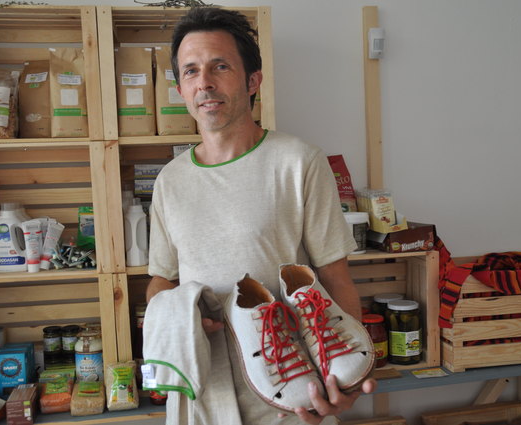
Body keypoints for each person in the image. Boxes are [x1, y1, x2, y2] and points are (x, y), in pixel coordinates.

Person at [146, 7, 376, 425]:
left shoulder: (299, 162)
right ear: (181, 89)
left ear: (253, 81)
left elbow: (336, 277)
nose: (204, 83)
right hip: (204, 393)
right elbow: (161, 281)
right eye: (191, 71)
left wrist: (344, 383)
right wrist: (178, 317)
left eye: (220, 66)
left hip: (292, 391)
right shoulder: (169, 181)